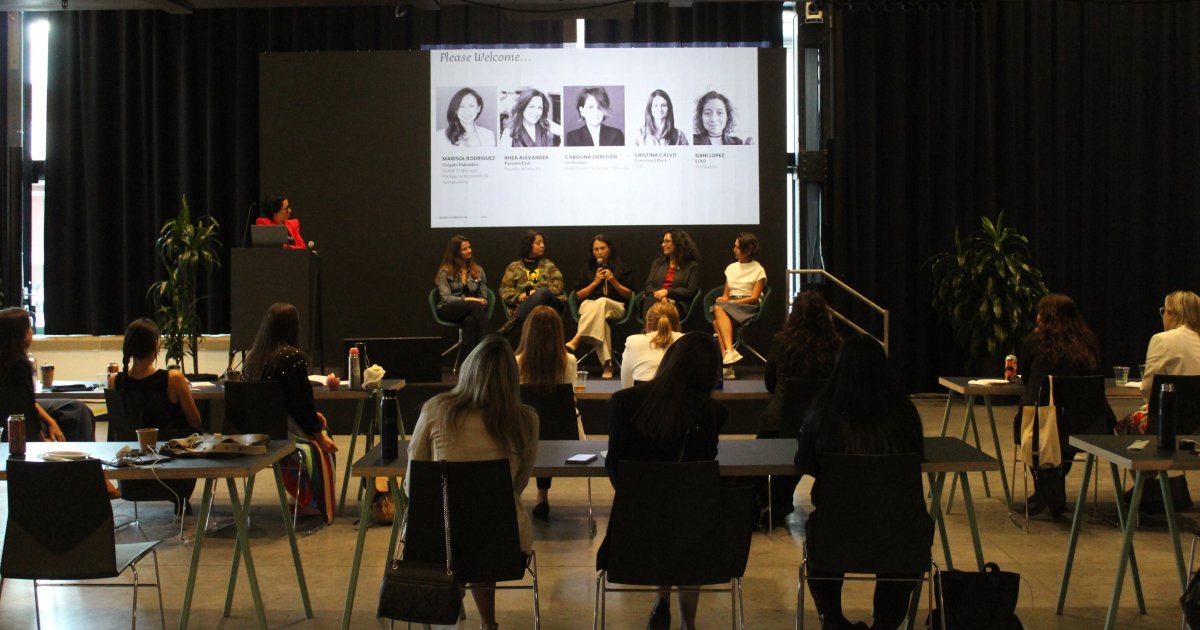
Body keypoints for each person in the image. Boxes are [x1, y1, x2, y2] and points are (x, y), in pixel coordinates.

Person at [794, 334, 928, 630]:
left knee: (820, 531)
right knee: (903, 538)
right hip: (898, 536)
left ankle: (833, 618)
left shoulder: (823, 415)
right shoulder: (905, 415)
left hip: (835, 535)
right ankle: (885, 623)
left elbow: (803, 462)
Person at [407, 335, 539, 630]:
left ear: (468, 369)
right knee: (486, 521)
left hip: (439, 543)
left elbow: (415, 482)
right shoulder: (526, 420)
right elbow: (518, 484)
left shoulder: (435, 409)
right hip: (504, 547)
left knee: (459, 526)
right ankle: (487, 623)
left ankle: (449, 600)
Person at [606, 331, 726, 630]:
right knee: (685, 518)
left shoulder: (624, 402)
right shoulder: (713, 413)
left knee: (662, 513)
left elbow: (615, 468)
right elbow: (699, 472)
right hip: (692, 538)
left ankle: (661, 603)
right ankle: (689, 622)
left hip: (631, 536)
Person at [244, 303, 339, 522]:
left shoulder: (252, 359)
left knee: (318, 428)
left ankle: (303, 497)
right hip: (284, 431)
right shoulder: (291, 357)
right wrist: (317, 432)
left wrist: (313, 419)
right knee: (322, 440)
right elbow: (301, 403)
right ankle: (314, 502)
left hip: (256, 432)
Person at [757, 291, 842, 529]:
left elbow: (769, 383)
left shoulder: (781, 342)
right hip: (823, 429)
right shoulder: (836, 345)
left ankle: (775, 503)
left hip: (778, 424)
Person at [1013, 293, 1101, 517]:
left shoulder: (1034, 342)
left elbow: (1024, 379)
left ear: (1043, 317)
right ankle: (1052, 484)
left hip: (1040, 424)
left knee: (1041, 428)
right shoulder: (1088, 343)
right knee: (1063, 440)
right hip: (1088, 423)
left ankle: (1046, 489)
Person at [109, 317, 203, 508]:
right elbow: (195, 423)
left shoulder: (114, 382)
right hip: (173, 478)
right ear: (155, 346)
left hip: (130, 480)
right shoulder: (174, 379)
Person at [515, 305, 579, 522]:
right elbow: (570, 398)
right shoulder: (568, 361)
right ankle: (543, 497)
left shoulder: (516, 362)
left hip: (522, 432)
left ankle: (515, 495)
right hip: (562, 431)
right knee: (548, 428)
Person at [0, 307, 95, 444]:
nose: (32, 332)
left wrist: (51, 421)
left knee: (76, 408)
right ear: (22, 335)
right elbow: (25, 410)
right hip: (14, 418)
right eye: (30, 328)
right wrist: (42, 440)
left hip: (24, 408)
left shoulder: (11, 360)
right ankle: (84, 460)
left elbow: (28, 400)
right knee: (78, 413)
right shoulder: (18, 365)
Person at [1118, 290, 1200, 434]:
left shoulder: (1162, 340)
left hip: (1169, 421)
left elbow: (1148, 388)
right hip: (1197, 425)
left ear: (1173, 314)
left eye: (1164, 311)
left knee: (1122, 426)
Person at [567, 234, 633, 379]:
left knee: (602, 301)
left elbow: (628, 294)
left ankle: (578, 336)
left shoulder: (621, 266)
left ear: (609, 249)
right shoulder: (587, 268)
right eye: (595, 249)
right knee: (601, 322)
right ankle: (608, 365)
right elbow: (579, 296)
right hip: (589, 305)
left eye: (602, 248)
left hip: (615, 306)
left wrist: (613, 280)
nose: (599, 252)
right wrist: (595, 282)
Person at [712, 232, 767, 372]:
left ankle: (728, 360)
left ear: (748, 250)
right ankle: (729, 355)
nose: (734, 250)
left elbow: (754, 297)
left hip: (749, 305)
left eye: (737, 247)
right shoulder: (731, 268)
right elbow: (726, 294)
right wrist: (725, 299)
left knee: (718, 312)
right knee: (717, 318)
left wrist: (731, 303)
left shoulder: (758, 270)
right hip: (732, 303)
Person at [497, 230, 566, 340]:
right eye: (538, 243)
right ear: (528, 245)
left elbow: (559, 285)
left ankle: (513, 324)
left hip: (550, 306)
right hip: (524, 307)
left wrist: (536, 292)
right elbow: (505, 288)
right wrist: (519, 297)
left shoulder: (548, 265)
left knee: (543, 292)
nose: (542, 245)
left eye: (543, 242)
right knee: (533, 308)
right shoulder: (514, 267)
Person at [435, 234, 492, 354]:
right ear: (456, 252)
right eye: (464, 249)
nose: (469, 250)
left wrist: (480, 301)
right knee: (473, 305)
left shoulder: (478, 270)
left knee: (470, 321)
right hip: (448, 309)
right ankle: (489, 345)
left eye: (469, 247)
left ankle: (470, 361)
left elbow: (483, 296)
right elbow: (446, 298)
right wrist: (470, 300)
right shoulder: (445, 271)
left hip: (472, 311)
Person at [620, 300, 684, 388]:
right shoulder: (687, 340)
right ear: (677, 324)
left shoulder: (633, 341)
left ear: (648, 325)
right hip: (678, 400)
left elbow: (626, 386)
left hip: (643, 400)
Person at [641, 229, 701, 321]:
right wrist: (661, 296)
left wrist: (668, 292)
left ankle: (653, 334)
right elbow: (648, 285)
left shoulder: (691, 266)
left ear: (678, 243)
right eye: (663, 242)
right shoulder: (658, 263)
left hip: (677, 303)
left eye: (667, 241)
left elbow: (690, 291)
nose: (663, 244)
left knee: (662, 310)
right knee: (651, 303)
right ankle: (649, 333)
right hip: (655, 299)